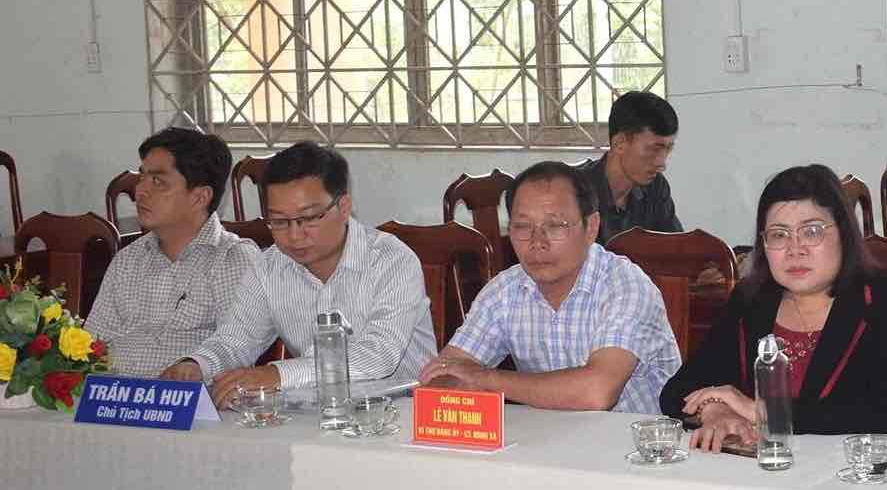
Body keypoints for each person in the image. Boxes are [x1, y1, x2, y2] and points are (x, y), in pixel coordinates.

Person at [660, 164, 887, 451]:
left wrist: (762, 411)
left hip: (850, 477)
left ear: (845, 233)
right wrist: (715, 410)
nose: (795, 249)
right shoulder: (751, 300)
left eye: (812, 232)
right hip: (757, 473)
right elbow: (677, 391)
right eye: (779, 235)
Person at [161, 142, 436, 408]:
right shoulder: (269, 268)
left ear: (343, 207)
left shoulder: (391, 261)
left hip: (403, 414)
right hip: (315, 415)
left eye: (309, 218)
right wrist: (197, 365)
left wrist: (277, 375)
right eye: (279, 221)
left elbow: (379, 356)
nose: (294, 235)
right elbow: (237, 339)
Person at [419, 161, 679, 412]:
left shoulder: (626, 285)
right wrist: (453, 382)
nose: (537, 242)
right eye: (522, 227)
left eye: (555, 226)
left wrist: (484, 378)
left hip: (637, 447)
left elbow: (597, 392)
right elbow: (443, 372)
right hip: (548, 444)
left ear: (591, 227)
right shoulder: (505, 291)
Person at [82, 128, 260, 378]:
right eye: (142, 178)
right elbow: (92, 342)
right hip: (115, 400)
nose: (140, 191)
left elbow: (238, 346)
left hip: (188, 405)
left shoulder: (231, 259)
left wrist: (195, 366)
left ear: (200, 197)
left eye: (157, 181)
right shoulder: (127, 260)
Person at [584, 91, 682, 245]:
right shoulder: (574, 193)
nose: (662, 163)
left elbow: (676, 249)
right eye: (654, 149)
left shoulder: (655, 187)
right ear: (619, 143)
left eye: (668, 149)